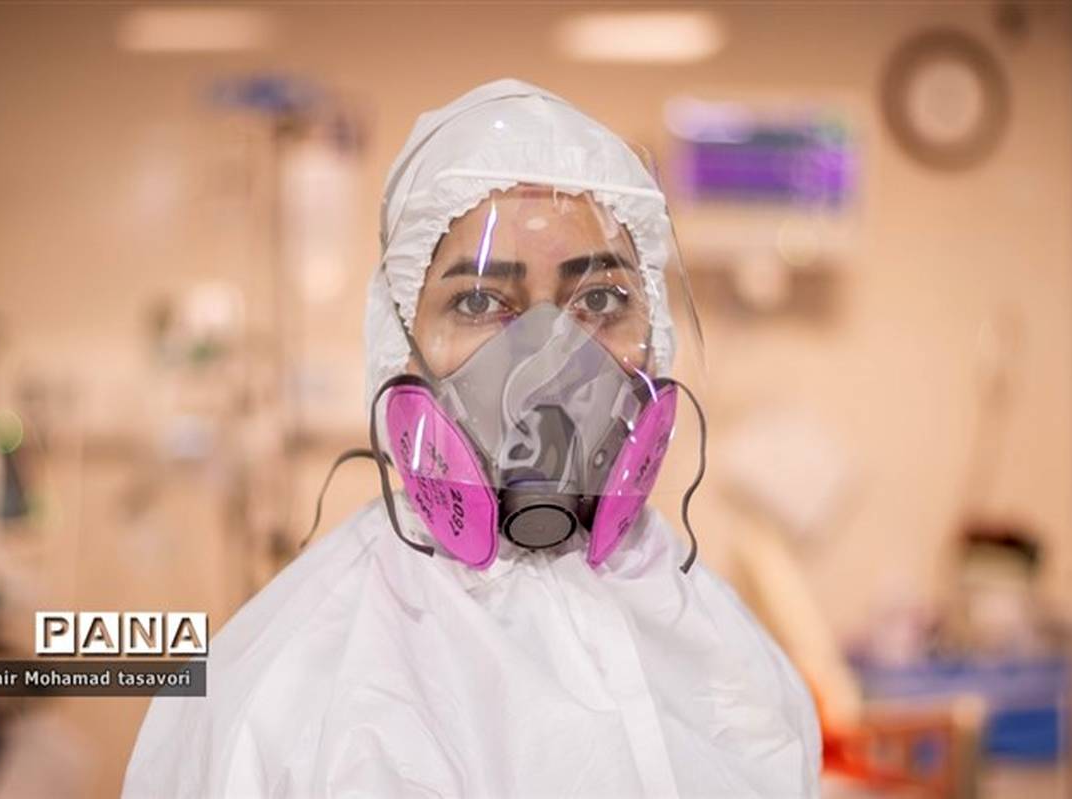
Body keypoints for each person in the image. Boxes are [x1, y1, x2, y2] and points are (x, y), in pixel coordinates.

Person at [122, 78, 821, 798]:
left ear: (655, 338)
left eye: (600, 298)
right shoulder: (280, 697)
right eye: (480, 300)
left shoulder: (735, 666)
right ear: (401, 348)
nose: (548, 359)